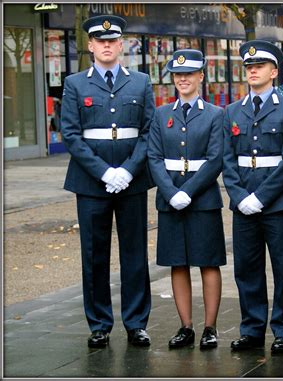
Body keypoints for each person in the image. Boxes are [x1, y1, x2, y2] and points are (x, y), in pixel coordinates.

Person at [61, 15, 154, 348]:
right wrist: (104, 171)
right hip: (90, 182)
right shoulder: (74, 84)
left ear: (121, 44)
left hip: (133, 179)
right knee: (94, 254)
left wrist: (128, 170)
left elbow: (148, 132)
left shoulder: (140, 82)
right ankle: (99, 324)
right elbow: (70, 134)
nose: (106, 45)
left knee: (134, 253)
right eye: (100, 41)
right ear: (90, 46)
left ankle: (136, 323)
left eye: (112, 41)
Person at [222, 40, 283, 353]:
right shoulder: (232, 111)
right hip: (243, 203)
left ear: (274, 72)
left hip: (278, 203)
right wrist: (240, 196)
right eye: (249, 67)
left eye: (259, 66)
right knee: (247, 268)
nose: (252, 71)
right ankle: (252, 328)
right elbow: (227, 160)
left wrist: (262, 197)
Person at [147, 49, 226, 349]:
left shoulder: (215, 114)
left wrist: (188, 192)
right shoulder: (161, 113)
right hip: (169, 200)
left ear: (201, 77)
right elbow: (154, 157)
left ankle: (210, 327)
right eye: (178, 75)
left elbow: (215, 158)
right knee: (177, 263)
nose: (182, 79)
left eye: (189, 74)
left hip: (203, 199)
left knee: (207, 263)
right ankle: (186, 326)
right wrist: (170, 192)